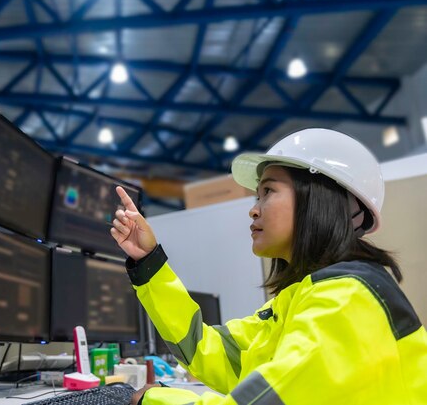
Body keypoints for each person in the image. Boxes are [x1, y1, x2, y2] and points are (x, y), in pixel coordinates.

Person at [110, 128, 427, 405]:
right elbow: (207, 350)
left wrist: (152, 398)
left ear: (318, 199)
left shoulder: (347, 301)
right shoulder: (303, 299)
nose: (253, 210)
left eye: (268, 191)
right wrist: (149, 262)